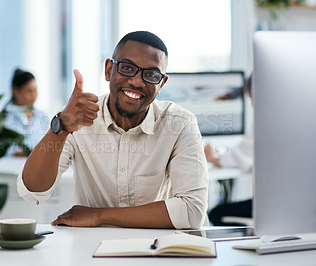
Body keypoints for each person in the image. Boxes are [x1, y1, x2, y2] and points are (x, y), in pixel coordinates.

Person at [17, 31, 208, 229]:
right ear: (109, 70)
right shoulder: (77, 118)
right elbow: (32, 191)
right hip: (91, 251)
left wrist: (98, 216)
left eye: (151, 74)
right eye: (127, 68)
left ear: (161, 84)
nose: (136, 81)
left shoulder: (180, 124)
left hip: (154, 250)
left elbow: (192, 212)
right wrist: (61, 129)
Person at [205, 74, 253, 226]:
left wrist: (212, 158)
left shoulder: (266, 120)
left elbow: (235, 158)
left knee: (215, 213)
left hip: (270, 205)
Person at [5, 68, 49, 156]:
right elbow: (1, 152)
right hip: (10, 168)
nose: (33, 95)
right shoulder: (4, 119)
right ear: (15, 91)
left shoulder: (43, 117)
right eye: (29, 91)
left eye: (35, 90)